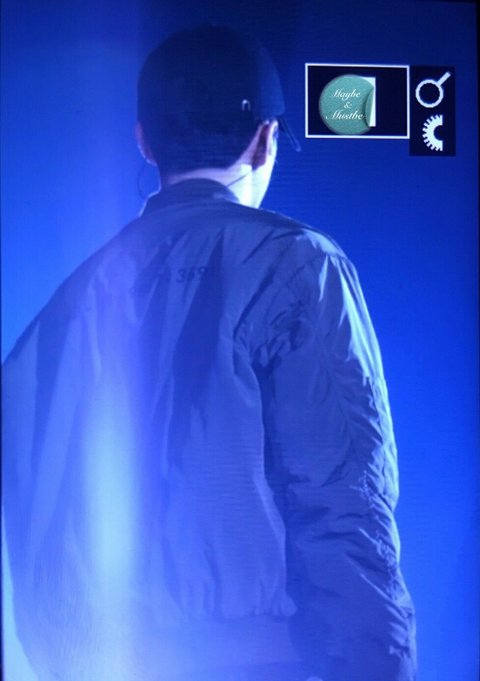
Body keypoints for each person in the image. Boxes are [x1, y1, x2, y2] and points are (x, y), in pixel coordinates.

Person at [3, 24, 416, 681]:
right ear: (266, 139)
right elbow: (343, 496)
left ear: (145, 140)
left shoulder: (65, 306)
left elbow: (33, 520)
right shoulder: (296, 264)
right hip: (261, 662)